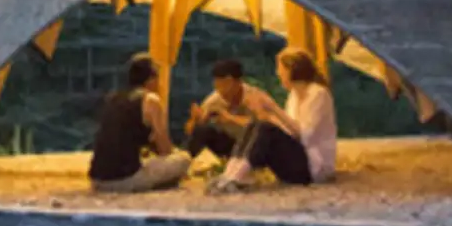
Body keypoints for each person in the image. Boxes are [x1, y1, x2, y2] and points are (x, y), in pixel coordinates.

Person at [209, 47, 338, 192]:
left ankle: (237, 177)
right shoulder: (293, 96)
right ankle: (230, 173)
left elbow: (304, 135)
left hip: (313, 167)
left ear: (291, 70)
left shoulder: (318, 94)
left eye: (281, 69)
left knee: (264, 127)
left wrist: (273, 108)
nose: (278, 74)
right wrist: (266, 116)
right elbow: (287, 132)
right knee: (257, 124)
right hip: (296, 161)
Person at [88, 52, 191, 193]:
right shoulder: (151, 99)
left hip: (97, 180)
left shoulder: (113, 98)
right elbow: (165, 150)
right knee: (183, 159)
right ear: (151, 79)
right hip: (125, 180)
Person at [185, 57, 286, 160]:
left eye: (226, 85)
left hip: (255, 146)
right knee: (202, 131)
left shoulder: (255, 97)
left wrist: (229, 117)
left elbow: (265, 126)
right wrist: (196, 120)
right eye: (218, 86)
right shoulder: (214, 101)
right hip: (231, 145)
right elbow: (191, 132)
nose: (222, 91)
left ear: (238, 82)